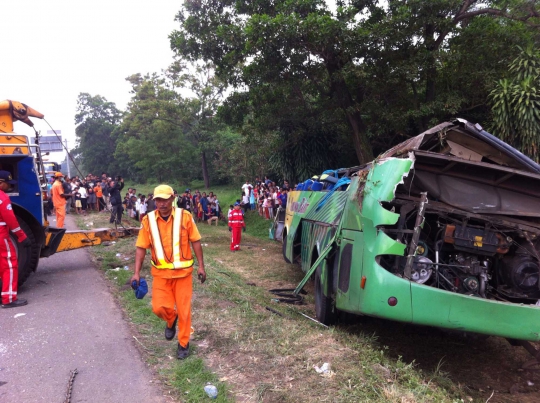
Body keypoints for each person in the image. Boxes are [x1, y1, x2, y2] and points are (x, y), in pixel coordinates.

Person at [131, 185, 206, 360]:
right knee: (159, 308)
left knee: (185, 311)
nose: (162, 203)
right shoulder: (147, 220)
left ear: (172, 198)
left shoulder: (185, 217)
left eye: (165, 199)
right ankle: (171, 320)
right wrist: (136, 272)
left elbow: (196, 241)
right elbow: (141, 247)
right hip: (161, 275)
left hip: (183, 275)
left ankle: (183, 343)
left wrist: (201, 266)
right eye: (158, 200)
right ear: (154, 200)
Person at [0, 171, 31, 308]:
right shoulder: (3, 198)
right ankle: (9, 299)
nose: (10, 187)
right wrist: (22, 236)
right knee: (10, 265)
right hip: (1, 236)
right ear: (1, 183)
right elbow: (11, 221)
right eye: (8, 183)